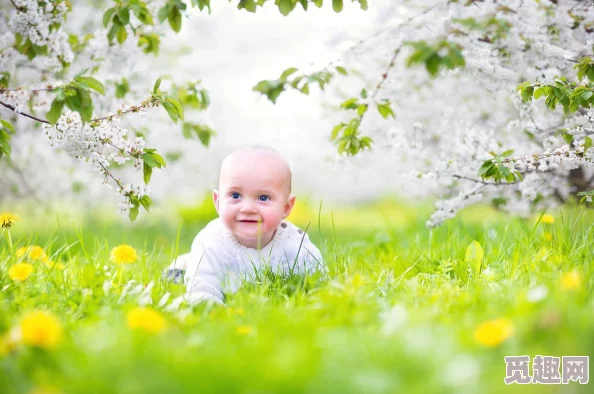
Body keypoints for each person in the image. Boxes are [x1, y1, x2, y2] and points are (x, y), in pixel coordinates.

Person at [166, 146, 325, 304]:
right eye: (235, 195)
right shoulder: (210, 244)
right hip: (205, 268)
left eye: (263, 198)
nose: (248, 208)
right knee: (190, 271)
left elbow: (320, 287)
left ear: (286, 207)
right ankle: (183, 266)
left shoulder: (296, 246)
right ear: (218, 202)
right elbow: (202, 295)